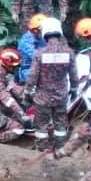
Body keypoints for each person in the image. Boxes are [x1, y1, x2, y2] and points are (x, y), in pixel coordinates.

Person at [25, 17, 77, 151]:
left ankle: (41, 149)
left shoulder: (40, 54)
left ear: (45, 33)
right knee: (60, 124)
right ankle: (60, 149)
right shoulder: (69, 53)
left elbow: (32, 77)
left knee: (41, 126)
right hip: (61, 97)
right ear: (59, 32)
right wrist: (74, 90)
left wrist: (27, 92)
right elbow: (74, 76)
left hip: (43, 98)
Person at [15, 13, 47, 84]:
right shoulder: (25, 42)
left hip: (42, 68)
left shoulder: (42, 38)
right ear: (35, 30)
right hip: (28, 71)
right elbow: (39, 57)